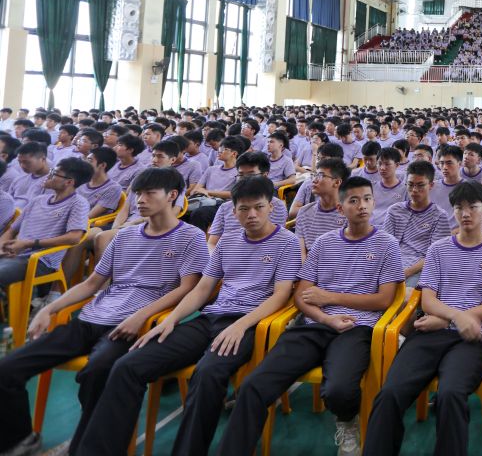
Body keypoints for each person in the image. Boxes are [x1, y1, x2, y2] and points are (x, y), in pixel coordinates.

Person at [76, 177, 301, 456]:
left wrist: (241, 325)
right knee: (128, 365)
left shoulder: (287, 242)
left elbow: (281, 295)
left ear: (271, 208)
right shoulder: (227, 241)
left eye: (259, 207)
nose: (251, 215)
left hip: (248, 323)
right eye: (244, 209)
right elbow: (203, 289)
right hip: (210, 318)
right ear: (233, 211)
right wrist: (172, 319)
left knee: (207, 374)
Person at [0, 167, 206, 456]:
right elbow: (92, 283)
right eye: (138, 194)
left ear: (172, 195)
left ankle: (85, 446)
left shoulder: (190, 237)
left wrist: (141, 316)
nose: (140, 200)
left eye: (149, 193)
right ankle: (20, 439)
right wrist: (51, 309)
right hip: (92, 317)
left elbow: (187, 287)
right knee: (8, 368)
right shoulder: (125, 236)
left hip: (130, 325)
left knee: (98, 371)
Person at [216, 172, 404, 456]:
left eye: (367, 199)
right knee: (254, 385)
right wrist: (326, 317)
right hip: (316, 325)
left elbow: (384, 299)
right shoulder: (325, 243)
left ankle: (347, 421)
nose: (362, 206)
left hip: (357, 328)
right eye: (354, 200)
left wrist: (330, 297)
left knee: (339, 390)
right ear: (340, 208)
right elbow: (302, 295)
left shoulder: (386, 244)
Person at [363, 180, 482, 456]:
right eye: (459, 208)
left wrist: (449, 320)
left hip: (472, 338)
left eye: (473, 207)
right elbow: (428, 300)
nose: (465, 214)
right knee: (390, 393)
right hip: (431, 333)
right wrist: (454, 317)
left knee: (450, 395)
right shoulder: (438, 249)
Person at [0, 157, 92, 289]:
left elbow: (74, 237)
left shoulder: (78, 203)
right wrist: (1, 248)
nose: (48, 175)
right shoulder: (38, 200)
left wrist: (28, 243)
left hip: (39, 261)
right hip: (15, 254)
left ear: (69, 182)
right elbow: (12, 230)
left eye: (54, 173)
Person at [383, 159, 452, 288]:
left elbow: (435, 255)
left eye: (420, 185)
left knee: (404, 293)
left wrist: (405, 273)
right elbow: (385, 246)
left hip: (418, 268)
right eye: (410, 184)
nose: (414, 190)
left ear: (431, 185)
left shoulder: (439, 216)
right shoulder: (394, 210)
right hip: (391, 264)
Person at [293, 159, 351, 254]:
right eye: (314, 175)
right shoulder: (304, 212)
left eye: (320, 176)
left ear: (337, 182)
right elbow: (300, 253)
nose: (314, 180)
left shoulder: (350, 214)